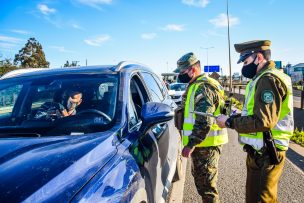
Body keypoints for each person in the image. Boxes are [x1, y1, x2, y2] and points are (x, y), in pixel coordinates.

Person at [216, 40, 294, 203]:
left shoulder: (268, 79)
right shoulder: (260, 78)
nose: (243, 67)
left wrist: (229, 123)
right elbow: (254, 114)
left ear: (258, 57)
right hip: (261, 149)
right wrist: (231, 119)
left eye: (245, 62)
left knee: (260, 199)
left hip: (267, 151)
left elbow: (263, 121)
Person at [175, 52, 228, 203]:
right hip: (202, 144)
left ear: (193, 69)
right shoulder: (196, 85)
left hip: (206, 145)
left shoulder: (203, 87)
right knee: (203, 184)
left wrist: (190, 145)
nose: (180, 75)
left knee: (207, 188)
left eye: (183, 72)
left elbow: (204, 121)